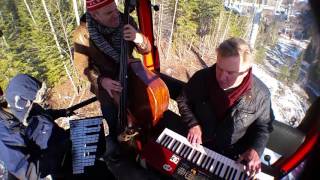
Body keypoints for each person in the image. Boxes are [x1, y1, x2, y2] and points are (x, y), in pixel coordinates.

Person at [177, 37, 274, 178]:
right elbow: (183, 100)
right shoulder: (202, 78)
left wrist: (255, 150)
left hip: (232, 155)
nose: (222, 77)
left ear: (246, 71)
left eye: (230, 72)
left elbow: (263, 126)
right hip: (197, 143)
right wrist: (193, 124)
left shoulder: (261, 95)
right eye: (219, 68)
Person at [73, 0, 151, 153]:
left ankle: (145, 151)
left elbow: (146, 50)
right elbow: (82, 67)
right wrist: (101, 81)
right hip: (107, 90)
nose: (116, 15)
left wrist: (139, 38)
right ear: (95, 15)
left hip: (133, 81)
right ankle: (123, 153)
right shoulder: (82, 34)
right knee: (117, 124)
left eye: (115, 9)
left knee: (144, 118)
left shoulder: (126, 21)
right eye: (109, 13)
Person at [0, 74, 70, 179]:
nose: (37, 104)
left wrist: (62, 112)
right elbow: (28, 172)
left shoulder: (23, 103)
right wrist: (61, 151)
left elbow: (39, 117)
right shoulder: (5, 132)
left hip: (65, 143)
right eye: (33, 102)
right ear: (22, 104)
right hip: (56, 167)